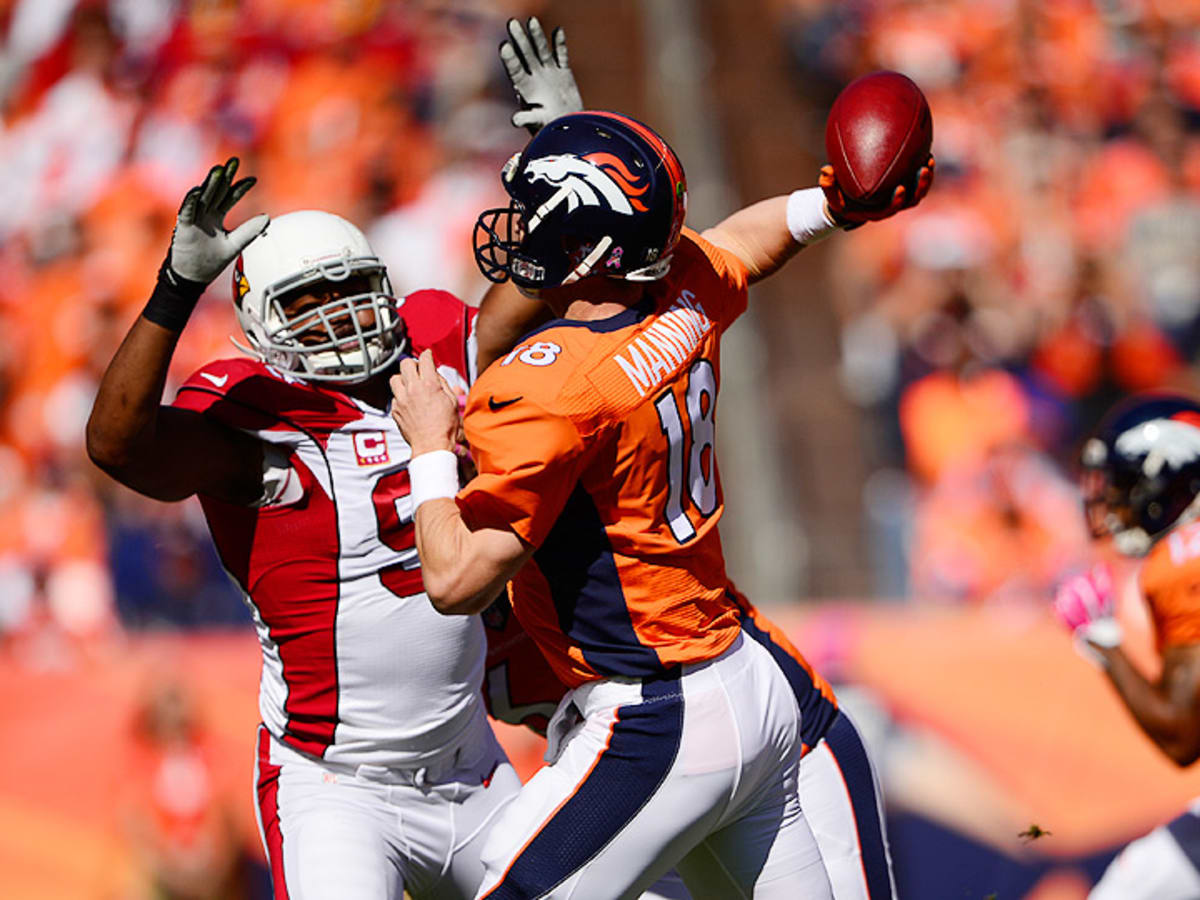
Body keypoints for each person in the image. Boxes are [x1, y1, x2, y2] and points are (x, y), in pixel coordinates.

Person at [390, 103, 932, 894]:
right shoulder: (681, 294)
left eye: (541, 219)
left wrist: (430, 450)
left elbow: (456, 580)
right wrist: (833, 208)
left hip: (657, 712)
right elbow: (744, 244)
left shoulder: (546, 387)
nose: (523, 231)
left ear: (593, 247)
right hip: (744, 679)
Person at [1054, 393, 1200, 899]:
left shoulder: (1185, 560)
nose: (1116, 502)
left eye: (1127, 484)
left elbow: (1183, 736)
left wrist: (1103, 641)